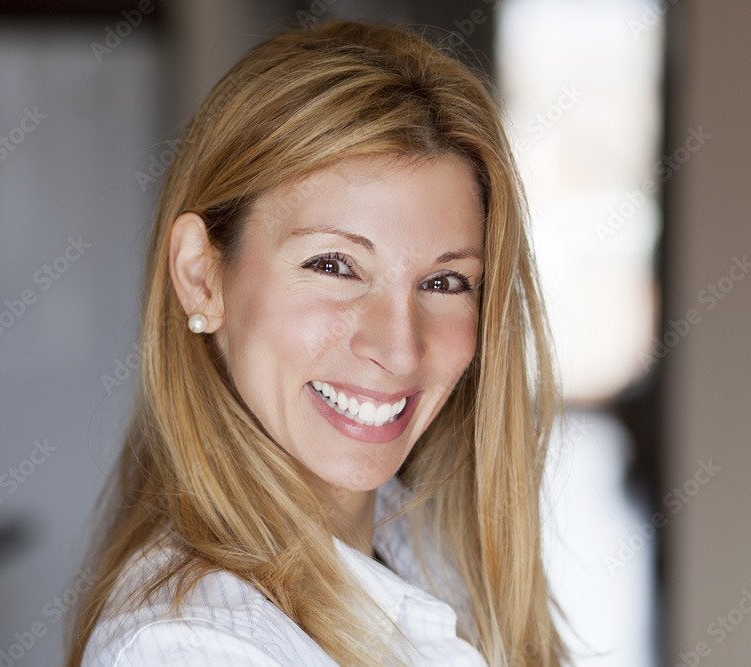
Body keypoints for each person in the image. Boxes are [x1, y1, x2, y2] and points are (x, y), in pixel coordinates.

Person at [66, 19, 568, 667]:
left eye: (444, 281)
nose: (399, 348)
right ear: (201, 277)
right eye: (334, 266)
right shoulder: (191, 648)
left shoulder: (424, 547)